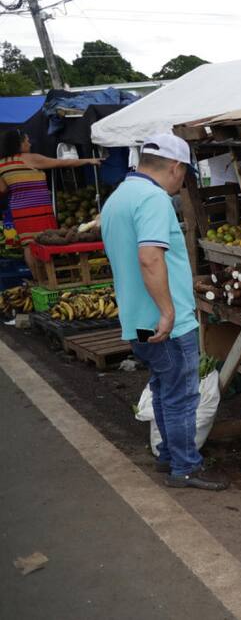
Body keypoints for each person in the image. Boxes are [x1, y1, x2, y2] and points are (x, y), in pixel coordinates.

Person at [101, 133, 227, 491]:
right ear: (175, 167)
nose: (181, 182)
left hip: (137, 324)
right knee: (181, 395)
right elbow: (149, 257)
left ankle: (169, 456)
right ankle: (185, 466)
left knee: (161, 385)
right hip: (164, 323)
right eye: (183, 174)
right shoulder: (154, 200)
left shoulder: (117, 199)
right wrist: (168, 312)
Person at [0, 130, 101, 271]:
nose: (29, 144)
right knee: (46, 242)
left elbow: (2, 190)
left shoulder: (2, 164)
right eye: (27, 141)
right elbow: (61, 163)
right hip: (38, 209)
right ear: (19, 144)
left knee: (28, 245)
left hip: (20, 212)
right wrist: (88, 160)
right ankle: (49, 277)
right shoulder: (29, 158)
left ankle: (37, 279)